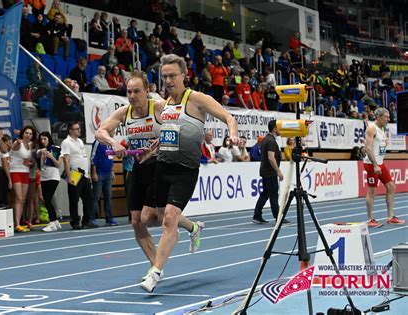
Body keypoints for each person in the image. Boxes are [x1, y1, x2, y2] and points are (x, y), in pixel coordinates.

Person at [140, 54, 240, 292]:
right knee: (149, 218)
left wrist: (233, 134)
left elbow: (228, 116)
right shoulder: (164, 104)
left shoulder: (196, 99)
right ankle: (194, 228)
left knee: (170, 218)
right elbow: (170, 132)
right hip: (163, 166)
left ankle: (155, 273)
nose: (168, 80)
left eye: (172, 75)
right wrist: (154, 146)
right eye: (164, 76)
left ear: (184, 75)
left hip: (185, 170)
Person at [95, 71, 203, 281]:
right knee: (137, 221)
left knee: (155, 217)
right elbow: (101, 131)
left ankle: (189, 229)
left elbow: (183, 124)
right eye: (129, 91)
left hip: (161, 166)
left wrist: (160, 142)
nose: (133, 95)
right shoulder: (124, 113)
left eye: (137, 91)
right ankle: (155, 268)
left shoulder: (160, 107)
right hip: (138, 168)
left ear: (147, 91)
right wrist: (114, 142)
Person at [363, 108, 404, 227]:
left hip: (380, 163)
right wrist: (375, 165)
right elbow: (368, 148)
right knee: (372, 191)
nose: (388, 119)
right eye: (386, 117)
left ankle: (390, 217)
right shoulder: (371, 128)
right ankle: (370, 219)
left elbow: (378, 146)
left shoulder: (382, 129)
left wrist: (383, 144)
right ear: (379, 117)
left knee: (391, 186)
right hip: (372, 164)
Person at [252, 120, 290, 225]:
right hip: (270, 173)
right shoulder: (271, 141)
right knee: (273, 195)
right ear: (274, 128)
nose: (280, 130)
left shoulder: (266, 139)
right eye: (279, 127)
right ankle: (278, 217)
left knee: (265, 194)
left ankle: (257, 215)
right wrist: (278, 171)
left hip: (266, 171)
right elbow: (270, 157)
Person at [61, 122, 95, 230]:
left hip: (84, 174)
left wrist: (88, 173)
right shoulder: (66, 142)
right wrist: (69, 175)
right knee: (74, 199)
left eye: (79, 129)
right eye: (77, 129)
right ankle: (75, 222)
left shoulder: (80, 141)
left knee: (89, 198)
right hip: (74, 173)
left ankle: (86, 221)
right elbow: (66, 159)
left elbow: (84, 157)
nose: (79, 131)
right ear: (70, 130)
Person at [9, 126, 37, 233]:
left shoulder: (30, 146)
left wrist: (30, 163)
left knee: (23, 200)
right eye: (26, 133)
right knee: (18, 198)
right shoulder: (18, 143)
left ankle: (18, 223)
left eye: (30, 134)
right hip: (15, 171)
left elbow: (30, 160)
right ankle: (16, 223)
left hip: (25, 172)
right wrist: (17, 142)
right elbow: (14, 147)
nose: (28, 135)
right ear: (22, 133)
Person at [37, 131, 63, 232]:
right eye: (41, 139)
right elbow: (37, 154)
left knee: (47, 199)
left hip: (53, 177)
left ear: (49, 139)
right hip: (44, 177)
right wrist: (41, 152)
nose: (43, 141)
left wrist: (51, 156)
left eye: (45, 139)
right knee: (46, 199)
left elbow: (58, 165)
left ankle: (52, 222)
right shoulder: (40, 150)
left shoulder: (56, 149)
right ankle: (55, 221)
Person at [90, 139, 118, 226]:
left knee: (108, 197)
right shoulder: (97, 142)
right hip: (99, 173)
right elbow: (93, 157)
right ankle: (91, 218)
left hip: (108, 173)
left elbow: (111, 156)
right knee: (96, 197)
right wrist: (94, 172)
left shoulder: (110, 142)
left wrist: (112, 170)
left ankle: (109, 218)